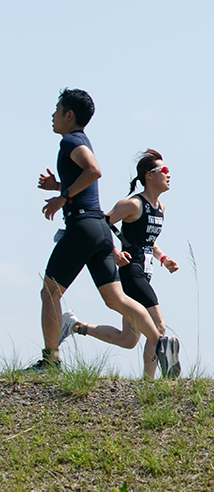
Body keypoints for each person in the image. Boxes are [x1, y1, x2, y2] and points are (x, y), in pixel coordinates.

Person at [28, 88, 179, 377]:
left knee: (50, 292)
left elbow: (94, 171)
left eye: (56, 110)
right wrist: (60, 187)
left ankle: (50, 362)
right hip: (99, 230)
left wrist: (63, 196)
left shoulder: (70, 140)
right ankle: (158, 340)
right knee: (116, 300)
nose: (52, 115)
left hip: (83, 226)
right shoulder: (80, 140)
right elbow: (86, 181)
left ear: (68, 115)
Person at [59, 150, 181, 379]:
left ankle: (74, 326)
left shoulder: (161, 208)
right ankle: (149, 383)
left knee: (128, 339)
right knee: (159, 328)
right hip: (131, 271)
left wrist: (163, 258)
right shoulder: (133, 204)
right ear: (148, 176)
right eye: (163, 170)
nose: (168, 175)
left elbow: (148, 241)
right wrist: (114, 251)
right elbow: (101, 225)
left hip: (145, 272)